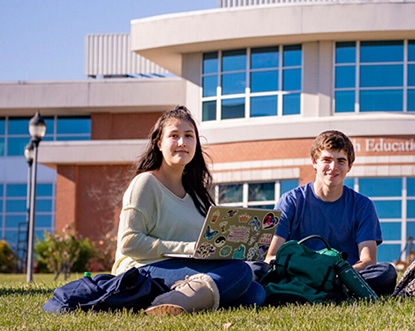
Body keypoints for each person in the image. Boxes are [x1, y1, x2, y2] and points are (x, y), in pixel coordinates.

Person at [113, 106, 265, 315]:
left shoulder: (197, 193)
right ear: (159, 144)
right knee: (239, 273)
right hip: (141, 269)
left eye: (188, 136)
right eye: (174, 136)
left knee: (254, 292)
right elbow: (129, 243)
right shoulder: (145, 183)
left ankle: (182, 299)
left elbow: (201, 246)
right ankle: (167, 302)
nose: (182, 142)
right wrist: (188, 248)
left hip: (182, 267)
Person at [264, 130, 397, 296]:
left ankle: (316, 291)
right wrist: (313, 273)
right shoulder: (291, 201)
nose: (333, 167)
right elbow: (271, 256)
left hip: (342, 277)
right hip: (300, 274)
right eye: (326, 160)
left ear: (349, 166)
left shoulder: (363, 205)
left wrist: (334, 275)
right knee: (255, 269)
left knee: (385, 273)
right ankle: (330, 293)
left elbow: (368, 261)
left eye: (341, 161)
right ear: (314, 162)